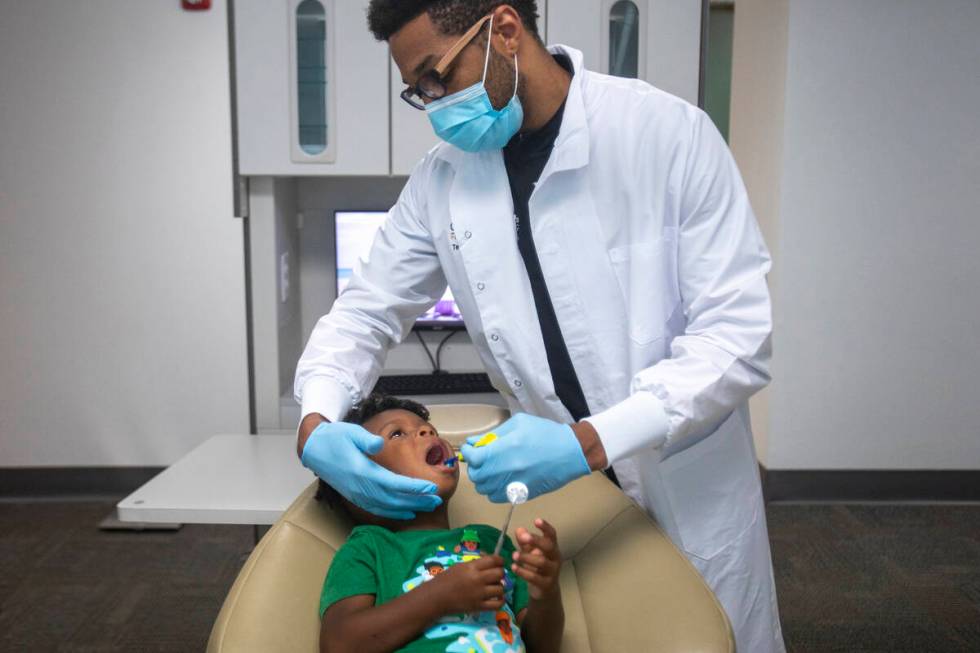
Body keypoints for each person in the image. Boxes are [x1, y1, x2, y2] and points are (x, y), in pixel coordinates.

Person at [295, 1, 785, 651]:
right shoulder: (443, 179)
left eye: (437, 77)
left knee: (712, 634)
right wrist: (315, 424)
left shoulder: (663, 134)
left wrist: (586, 442)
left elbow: (737, 336)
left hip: (683, 474)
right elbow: (365, 311)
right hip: (571, 498)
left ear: (503, 30)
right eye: (420, 91)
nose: (434, 104)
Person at [315, 392, 564, 653]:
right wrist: (441, 595)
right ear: (356, 484)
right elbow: (339, 644)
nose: (426, 432)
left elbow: (541, 647)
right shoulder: (369, 547)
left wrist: (545, 594)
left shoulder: (492, 541)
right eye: (397, 434)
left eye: (429, 430)